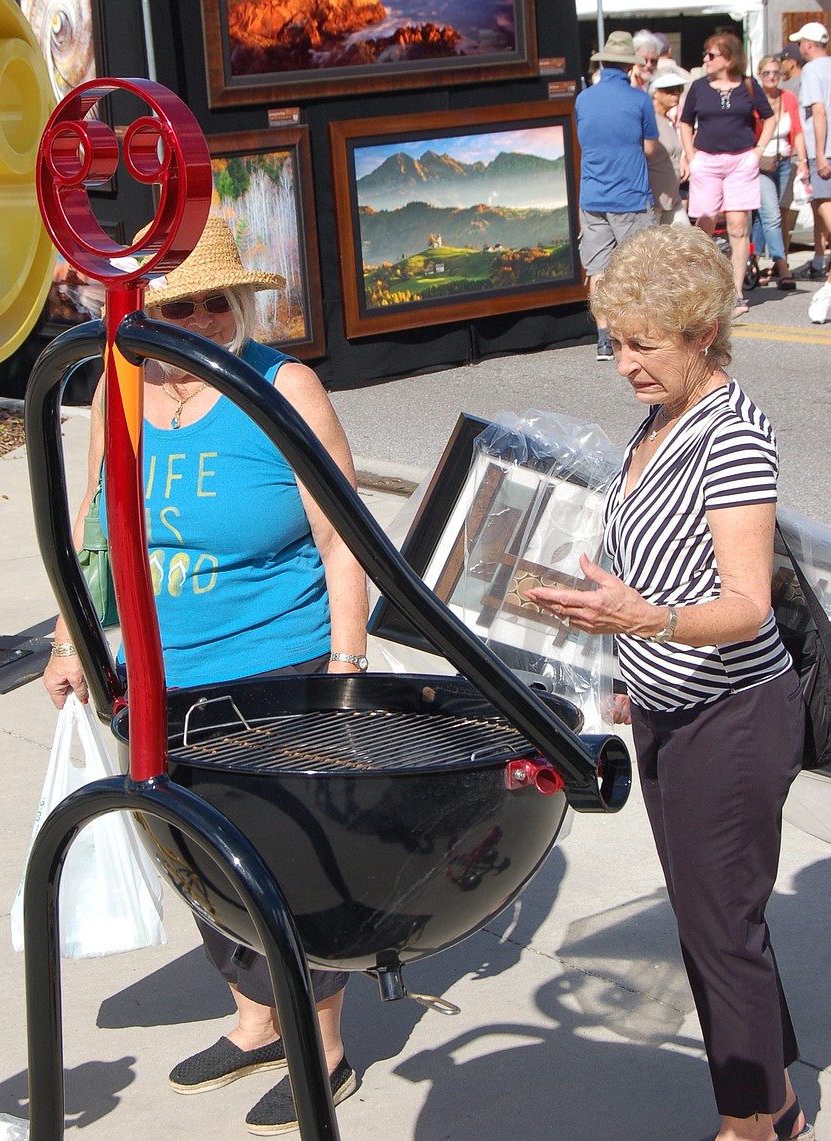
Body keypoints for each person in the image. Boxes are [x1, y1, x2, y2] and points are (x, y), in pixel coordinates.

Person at [43, 216, 369, 1136]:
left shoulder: (282, 386)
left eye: (215, 303)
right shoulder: (119, 386)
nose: (200, 320)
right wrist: (71, 640)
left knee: (290, 862)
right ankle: (256, 1018)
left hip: (278, 666)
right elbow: (94, 524)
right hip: (158, 678)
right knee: (194, 857)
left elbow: (341, 533)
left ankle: (322, 1045)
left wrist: (347, 665)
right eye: (178, 307)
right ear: (142, 313)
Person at [524, 225, 813, 1141]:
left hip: (731, 714)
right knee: (710, 918)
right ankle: (774, 1091)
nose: (624, 365)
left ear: (703, 333)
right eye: (616, 342)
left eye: (644, 344)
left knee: (720, 925)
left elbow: (747, 605)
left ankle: (754, 1122)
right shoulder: (661, 418)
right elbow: (655, 564)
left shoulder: (731, 435)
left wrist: (643, 621)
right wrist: (624, 662)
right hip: (667, 707)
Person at [575, 30, 658, 362]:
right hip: (630, 196)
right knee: (639, 268)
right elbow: (649, 148)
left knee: (598, 270)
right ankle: (638, 336)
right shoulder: (640, 100)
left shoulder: (583, 99)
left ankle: (603, 340)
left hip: (592, 196)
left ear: (603, 63)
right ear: (629, 66)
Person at [679, 32, 776, 318]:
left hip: (741, 161)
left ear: (729, 58)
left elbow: (769, 117)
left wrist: (758, 151)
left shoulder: (748, 85)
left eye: (711, 55)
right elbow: (685, 123)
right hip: (707, 161)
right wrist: (692, 157)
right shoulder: (698, 87)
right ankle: (699, 287)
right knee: (705, 222)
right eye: (706, 53)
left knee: (737, 225)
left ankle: (736, 292)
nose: (705, 59)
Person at [750, 55, 806, 289]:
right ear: (759, 75)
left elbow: (797, 131)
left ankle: (752, 261)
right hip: (761, 164)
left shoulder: (788, 98)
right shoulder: (754, 99)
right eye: (767, 73)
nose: (772, 77)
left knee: (769, 214)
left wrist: (802, 160)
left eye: (776, 73)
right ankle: (782, 265)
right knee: (772, 214)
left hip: (784, 162)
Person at [789, 21, 831, 321]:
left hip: (825, 150)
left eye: (800, 42)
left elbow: (818, 110)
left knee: (824, 208)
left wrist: (818, 153)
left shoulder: (812, 69)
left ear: (808, 44)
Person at [646, 72, 690, 225]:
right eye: (670, 90)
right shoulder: (649, 120)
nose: (676, 94)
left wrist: (682, 159)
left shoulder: (668, 120)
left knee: (686, 237)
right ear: (655, 93)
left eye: (679, 89)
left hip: (672, 198)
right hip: (655, 200)